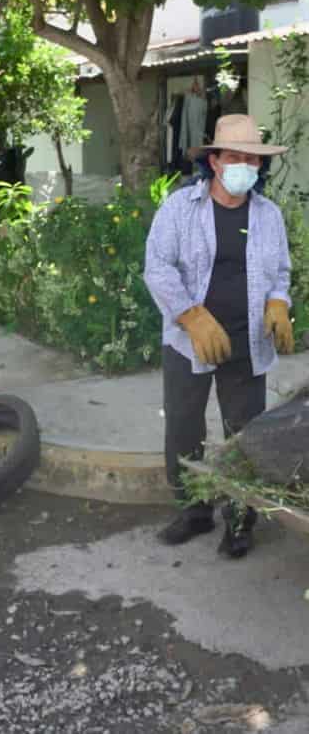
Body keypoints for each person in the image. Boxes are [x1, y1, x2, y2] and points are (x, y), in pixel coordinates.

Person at [144, 114, 294, 557]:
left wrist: (278, 302)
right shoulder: (179, 208)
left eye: (252, 159)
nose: (244, 166)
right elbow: (157, 265)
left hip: (249, 343)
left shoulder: (269, 216)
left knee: (245, 435)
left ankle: (240, 521)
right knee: (184, 429)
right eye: (235, 157)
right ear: (214, 161)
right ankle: (193, 512)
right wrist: (189, 314)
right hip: (188, 341)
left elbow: (280, 271)